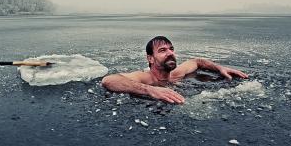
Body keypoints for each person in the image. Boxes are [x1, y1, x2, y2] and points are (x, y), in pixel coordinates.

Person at [101, 36, 248, 104]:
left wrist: (220, 68)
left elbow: (197, 61)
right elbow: (109, 80)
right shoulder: (145, 78)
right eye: (163, 50)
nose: (170, 53)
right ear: (150, 59)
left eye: (171, 49)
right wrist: (150, 90)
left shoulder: (177, 73)